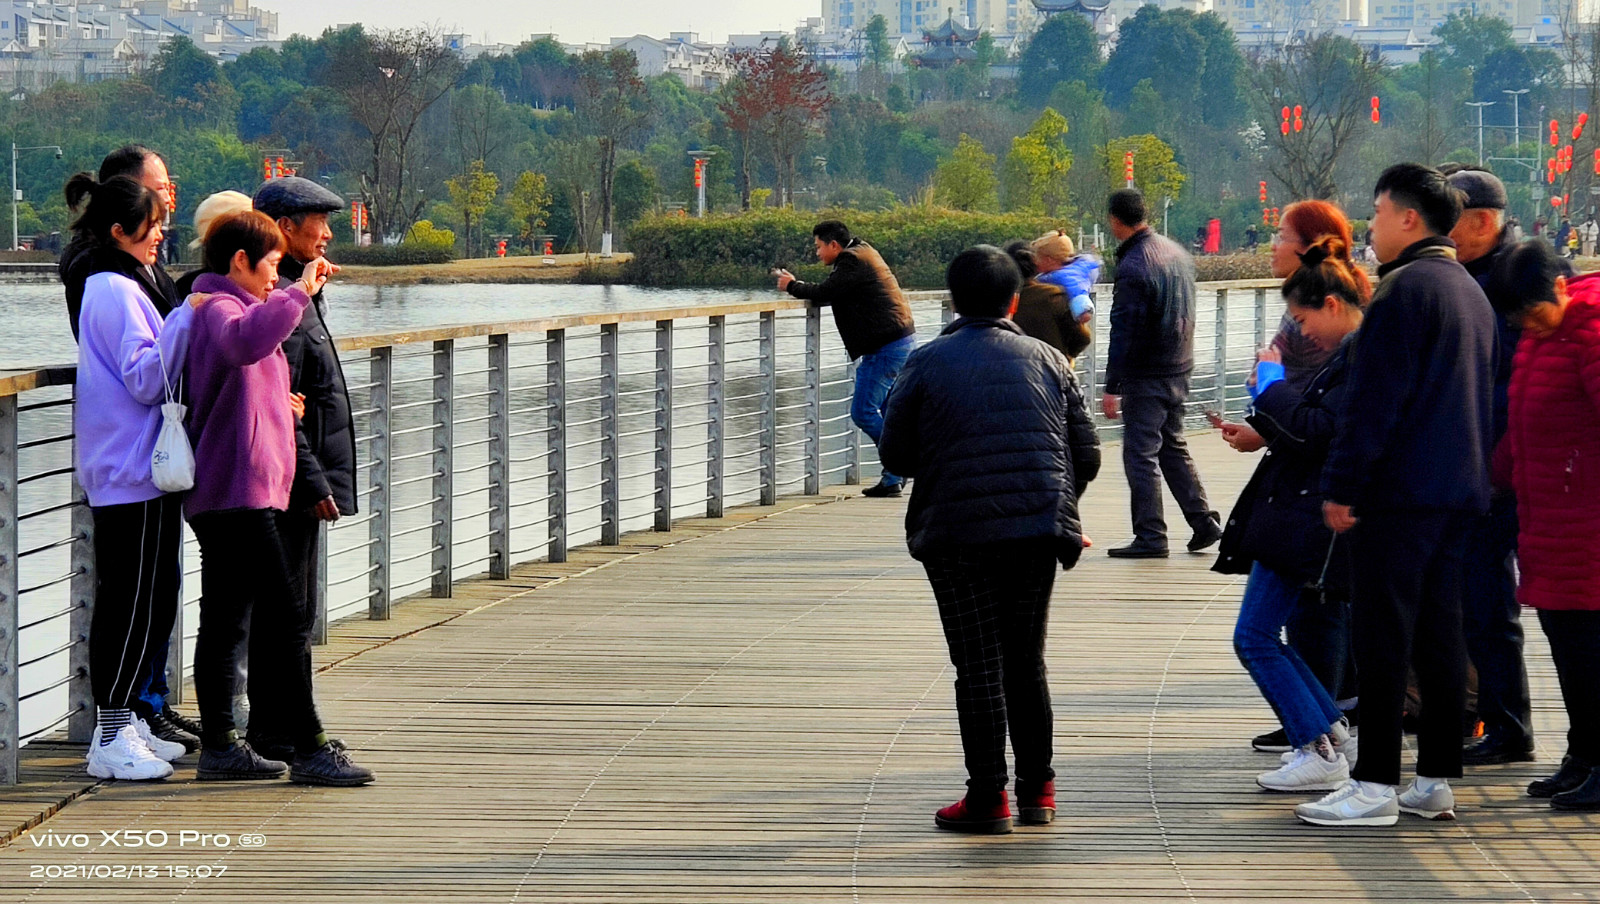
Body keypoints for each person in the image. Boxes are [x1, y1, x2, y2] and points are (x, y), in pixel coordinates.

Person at [1298, 163, 1495, 828]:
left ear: (1409, 217)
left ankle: (1375, 782)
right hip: (1458, 489)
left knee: (1381, 637)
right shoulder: (1468, 291)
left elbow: (1373, 404)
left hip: (1399, 493)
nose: (1371, 225)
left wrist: (1342, 485)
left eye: (1378, 212)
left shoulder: (1402, 291)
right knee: (1441, 635)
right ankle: (1435, 776)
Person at [878, 245, 1100, 834]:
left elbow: (895, 453)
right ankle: (1039, 791)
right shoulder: (1051, 360)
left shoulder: (925, 362)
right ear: (1013, 302)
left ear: (953, 301)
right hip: (1037, 530)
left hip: (955, 534)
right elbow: (1087, 455)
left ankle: (987, 799)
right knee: (1026, 660)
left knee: (977, 665)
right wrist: (1057, 501)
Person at [184, 210, 374, 786]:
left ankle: (221, 746)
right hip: (236, 493)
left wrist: (281, 406)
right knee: (287, 619)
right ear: (240, 261)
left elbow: (241, 386)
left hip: (240, 490)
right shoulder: (219, 308)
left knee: (224, 620)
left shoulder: (236, 307)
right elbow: (243, 347)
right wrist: (300, 293)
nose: (277, 275)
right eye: (271, 264)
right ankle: (308, 746)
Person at [58, 145, 200, 754]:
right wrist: (186, 317)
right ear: (120, 230)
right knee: (129, 602)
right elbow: (144, 379)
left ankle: (132, 724)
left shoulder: (121, 281)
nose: (161, 236)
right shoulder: (113, 287)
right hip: (127, 464)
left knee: (150, 597)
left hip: (139, 465)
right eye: (152, 226)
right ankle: (112, 734)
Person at [1214, 238, 1368, 793]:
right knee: (1262, 633)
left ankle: (1319, 748)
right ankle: (1330, 732)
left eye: (1302, 320)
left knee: (1254, 636)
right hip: (1295, 509)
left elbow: (1314, 432)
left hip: (1303, 512)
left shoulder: (1357, 356)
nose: (1301, 332)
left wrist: (1270, 384)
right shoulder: (1351, 354)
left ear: (1331, 304)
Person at [247, 177, 358, 761]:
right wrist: (314, 480)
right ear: (286, 228)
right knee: (288, 611)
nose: (329, 233)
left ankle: (278, 728)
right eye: (320, 222)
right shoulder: (280, 298)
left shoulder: (298, 289)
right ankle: (282, 732)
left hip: (295, 471)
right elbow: (281, 403)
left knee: (291, 608)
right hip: (289, 477)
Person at [1487, 240, 1600, 811]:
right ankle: (1583, 756)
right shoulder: (1541, 337)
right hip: (1549, 518)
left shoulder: (1592, 332)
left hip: (1587, 524)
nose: (1527, 325)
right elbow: (1525, 423)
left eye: (1532, 313)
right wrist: (1493, 476)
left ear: (1559, 287)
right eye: (1518, 319)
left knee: (1590, 650)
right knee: (1567, 645)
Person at [1442, 167, 1536, 768]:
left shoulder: (1516, 279)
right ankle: (1501, 723)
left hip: (1512, 466)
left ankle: (1513, 728)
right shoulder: (1466, 275)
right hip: (1479, 465)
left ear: (1481, 221)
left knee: (1505, 604)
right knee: (1481, 602)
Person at [1100, 188, 1219, 559]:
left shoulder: (1134, 266)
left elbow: (1124, 329)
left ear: (1115, 220)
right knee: (1171, 444)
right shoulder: (1176, 252)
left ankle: (1151, 535)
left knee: (1140, 454)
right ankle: (1203, 522)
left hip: (1147, 371)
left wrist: (1112, 385)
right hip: (1179, 364)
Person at [775, 221, 916, 498]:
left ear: (833, 245)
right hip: (899, 341)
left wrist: (792, 285)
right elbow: (835, 290)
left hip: (885, 347)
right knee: (888, 411)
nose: (817, 253)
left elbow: (825, 292)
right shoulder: (863, 252)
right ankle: (893, 476)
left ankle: (901, 463)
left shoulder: (852, 261)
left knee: (863, 412)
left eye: (818, 247)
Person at [1003, 242, 1091, 362]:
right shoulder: (1054, 296)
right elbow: (1082, 339)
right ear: (1036, 264)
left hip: (1012, 368)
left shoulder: (1000, 300)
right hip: (1053, 367)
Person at [1031, 230, 1100, 324]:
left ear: (1048, 260)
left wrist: (1082, 312)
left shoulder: (1068, 278)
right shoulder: (1072, 271)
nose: (1035, 263)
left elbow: (1081, 302)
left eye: (1037, 259)